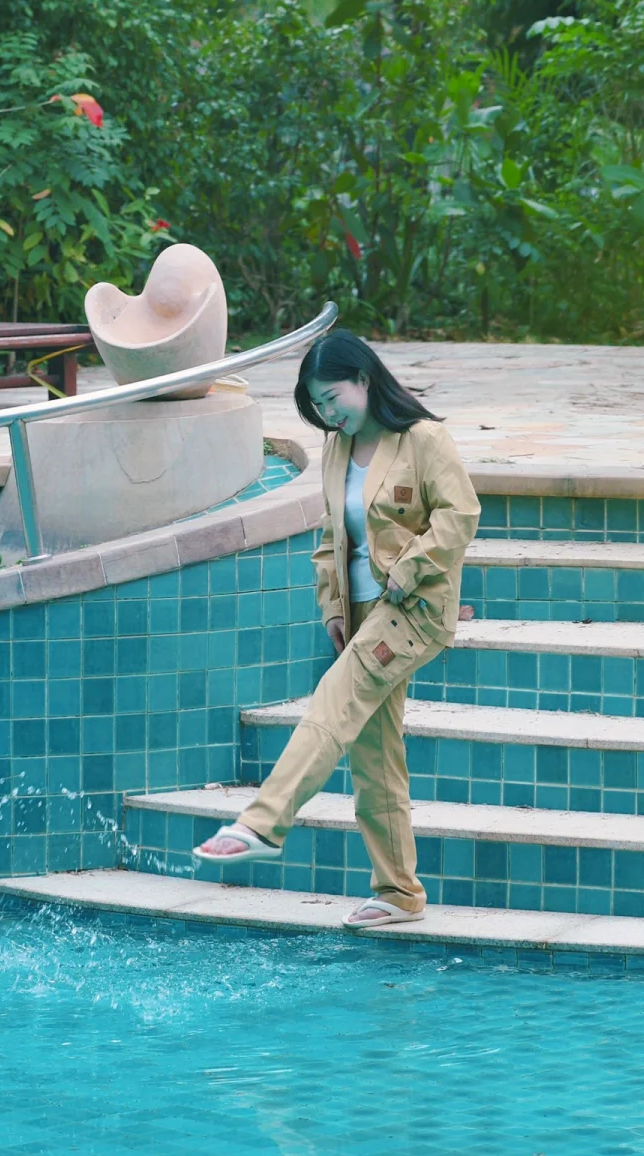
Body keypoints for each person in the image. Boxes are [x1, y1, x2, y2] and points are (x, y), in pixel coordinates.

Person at [194, 330, 480, 927]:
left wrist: (409, 567)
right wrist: (331, 607)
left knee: (332, 702)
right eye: (317, 405)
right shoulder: (336, 448)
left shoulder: (422, 439)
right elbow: (331, 534)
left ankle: (263, 823)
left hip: (412, 609)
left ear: (364, 380)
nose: (328, 413)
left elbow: (461, 515)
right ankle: (399, 893)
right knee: (376, 756)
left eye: (332, 398)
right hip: (360, 615)